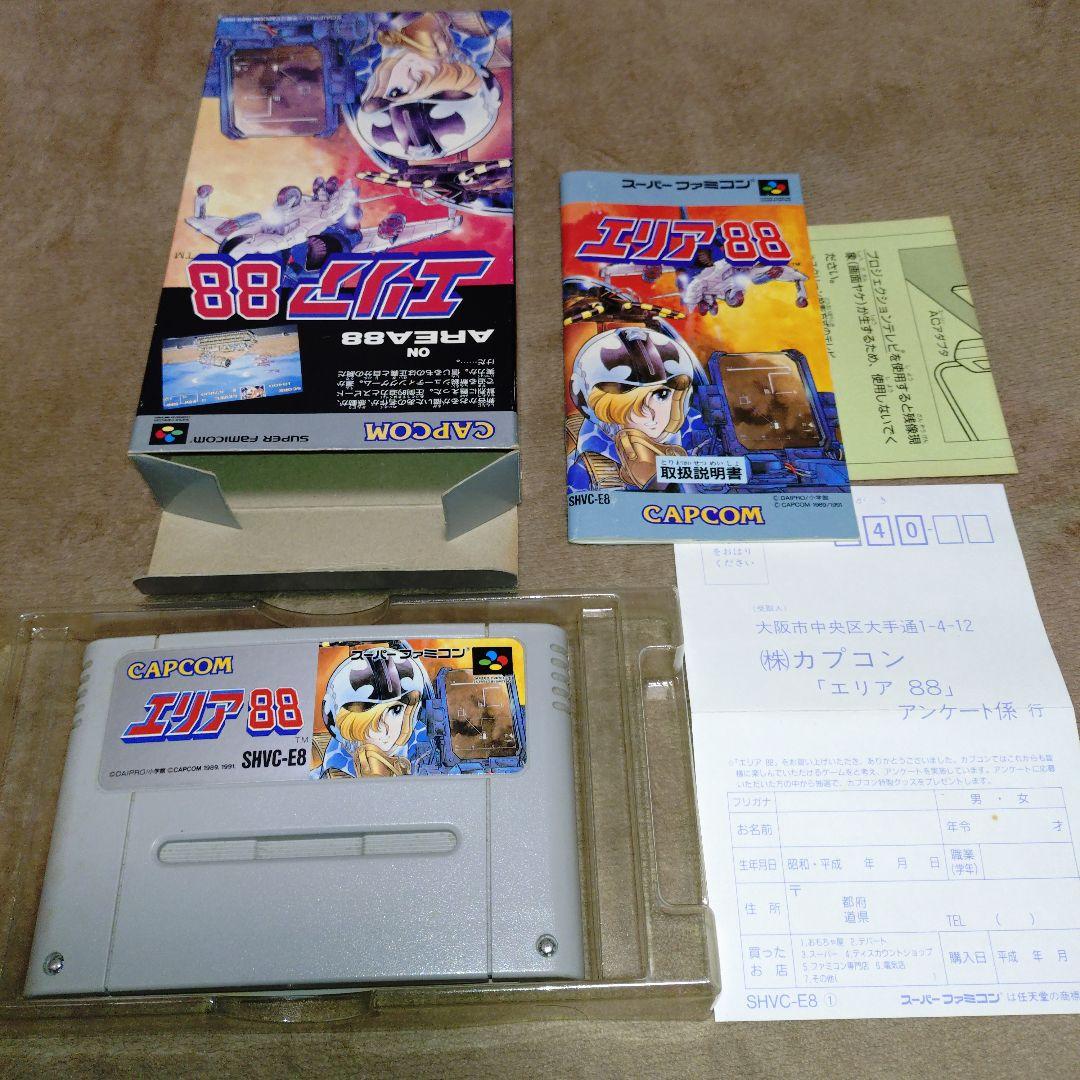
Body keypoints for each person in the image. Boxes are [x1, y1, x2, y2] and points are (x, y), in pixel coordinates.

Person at [568, 325, 705, 491]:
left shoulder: (701, 436)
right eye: (630, 403)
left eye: (661, 395)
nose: (650, 414)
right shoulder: (586, 469)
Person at [310, 648, 430, 778]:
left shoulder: (428, 751)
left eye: (396, 710)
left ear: (411, 713)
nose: (383, 729)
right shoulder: (325, 775)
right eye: (368, 717)